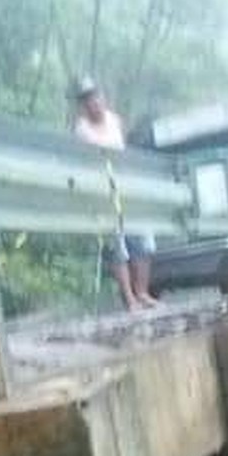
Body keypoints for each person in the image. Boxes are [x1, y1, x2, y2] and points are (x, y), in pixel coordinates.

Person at [73, 77, 156, 310]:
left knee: (143, 240)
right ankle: (129, 299)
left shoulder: (115, 121)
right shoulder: (82, 130)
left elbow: (126, 151)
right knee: (117, 246)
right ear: (83, 105)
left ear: (103, 98)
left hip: (126, 185)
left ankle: (142, 292)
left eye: (95, 97)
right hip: (103, 191)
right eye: (87, 100)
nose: (93, 103)